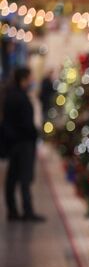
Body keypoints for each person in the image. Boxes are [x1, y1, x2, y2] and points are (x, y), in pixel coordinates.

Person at [3, 67, 45, 222]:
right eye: (31, 77)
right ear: (24, 79)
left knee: (13, 178)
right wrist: (33, 134)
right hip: (23, 143)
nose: (33, 80)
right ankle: (26, 211)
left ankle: (13, 210)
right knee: (23, 178)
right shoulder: (18, 97)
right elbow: (23, 122)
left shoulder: (13, 95)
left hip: (16, 142)